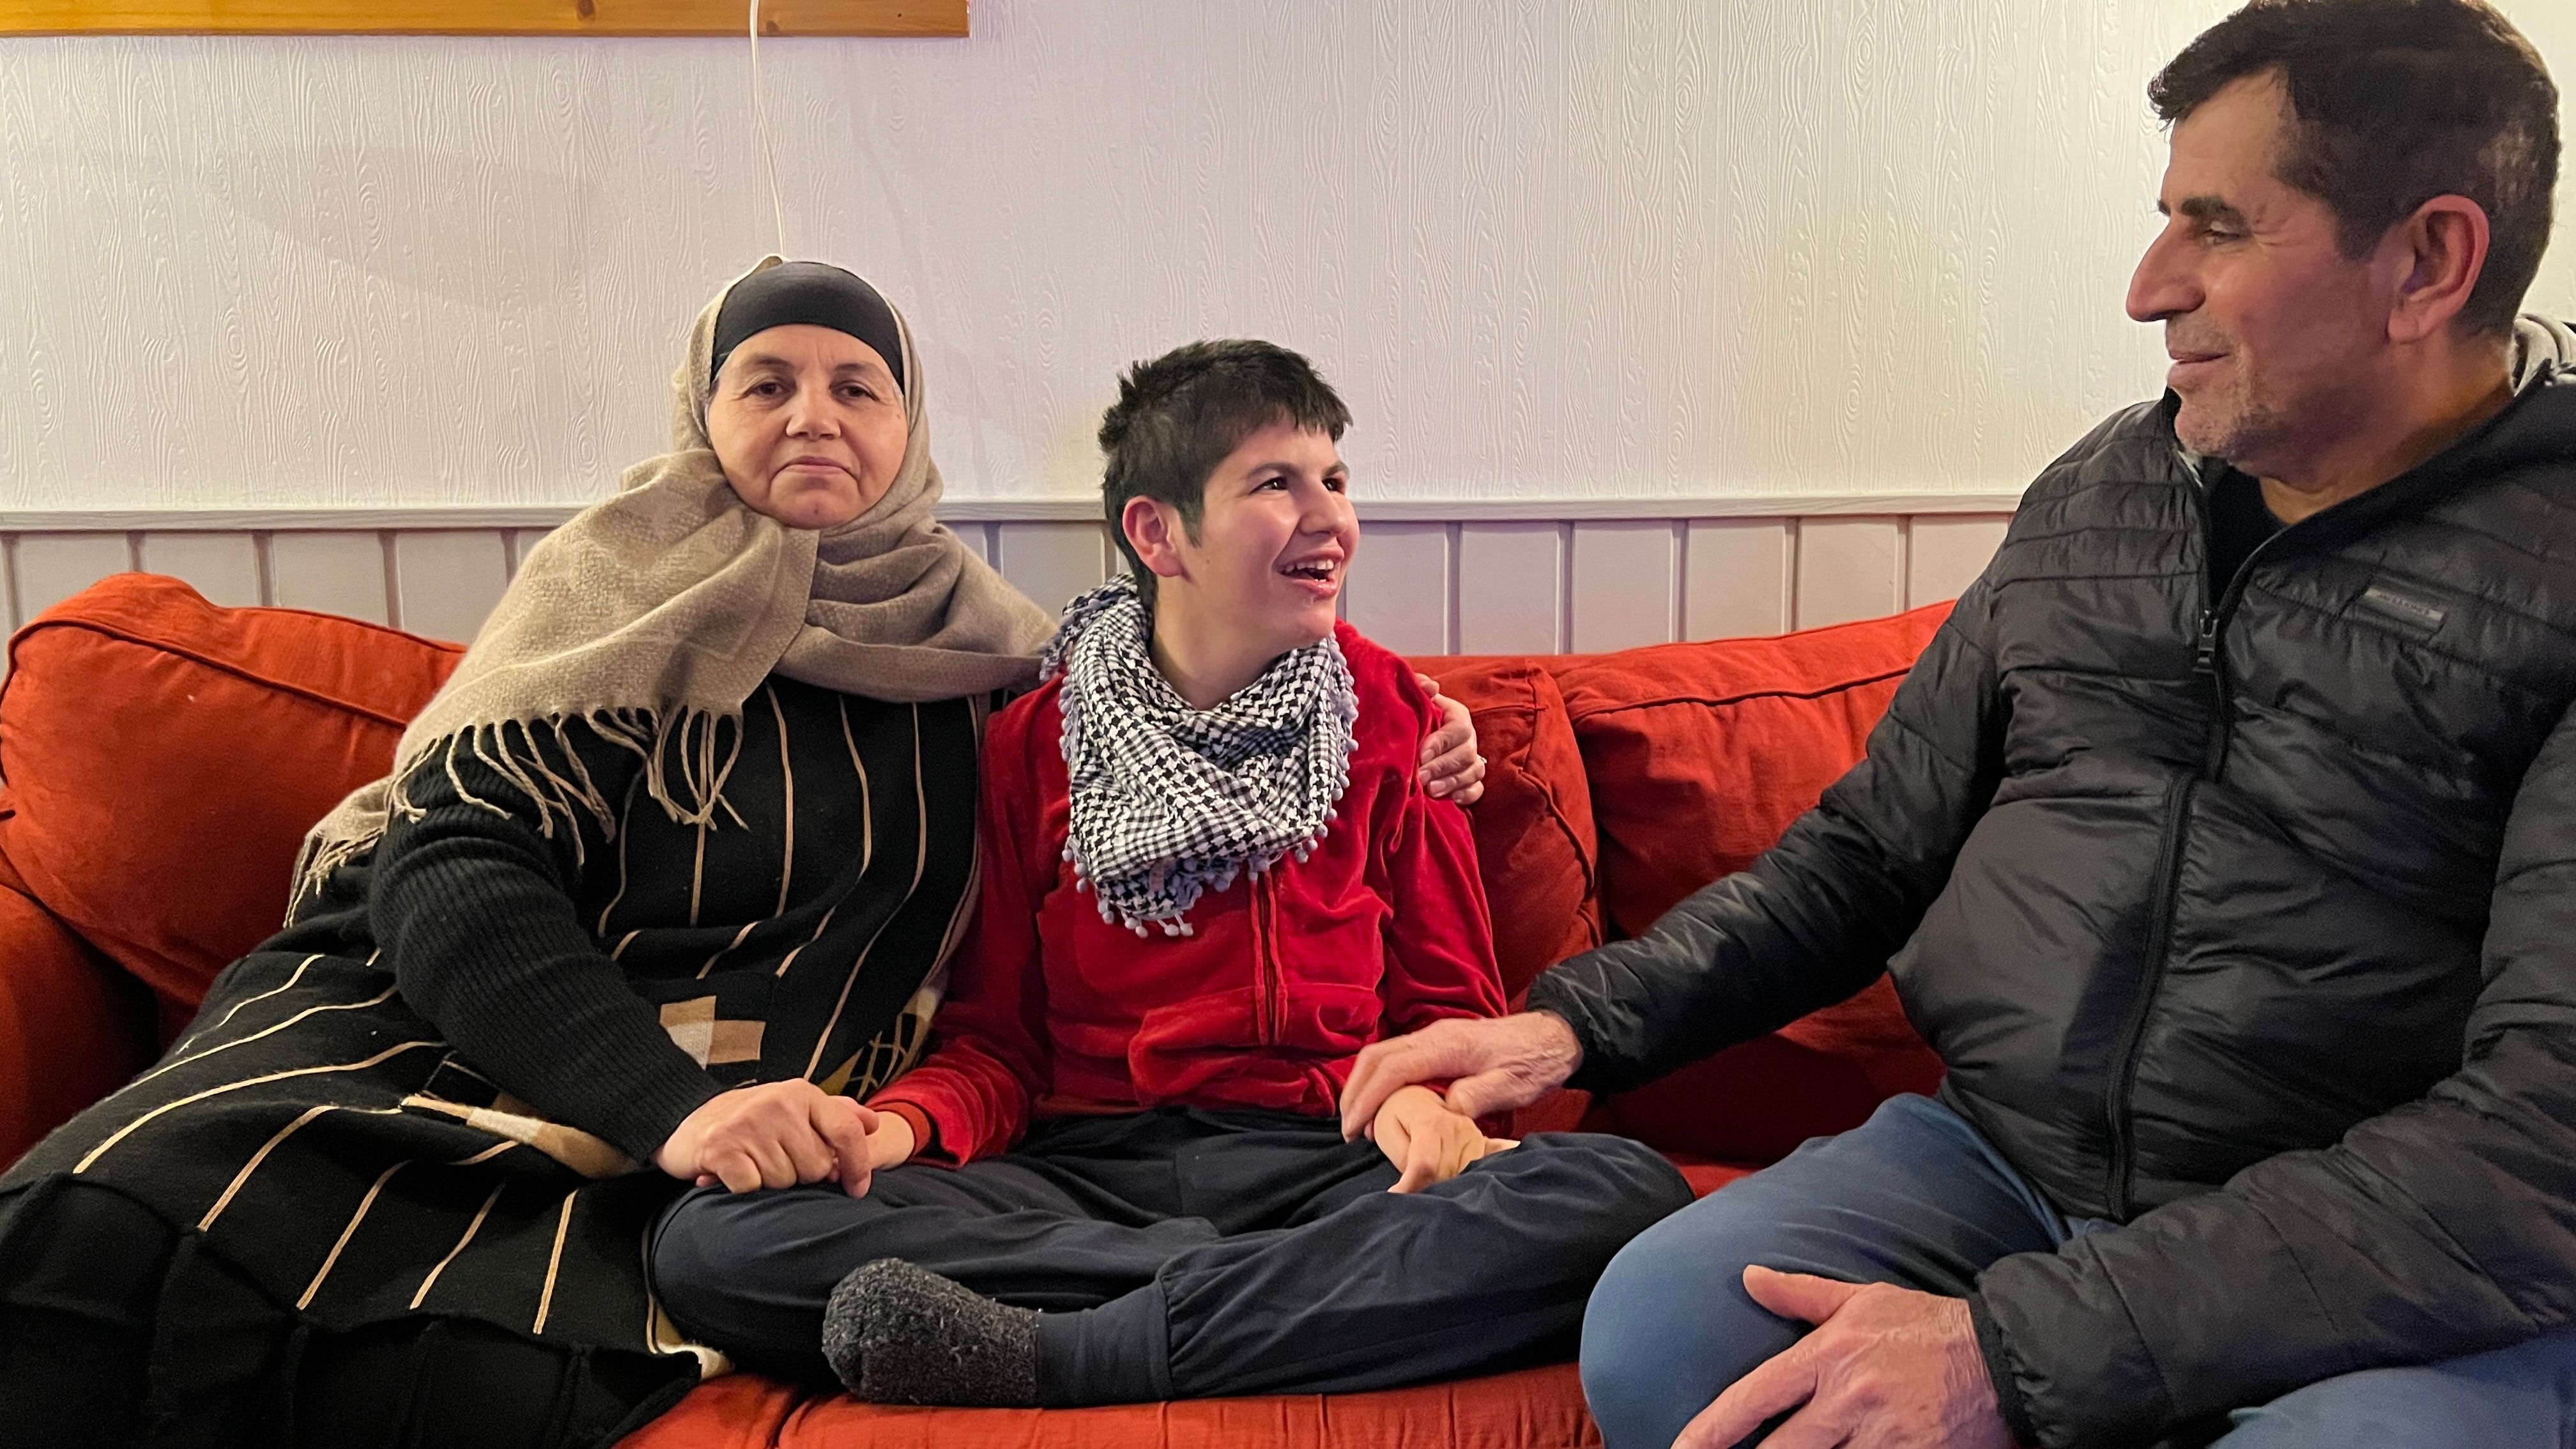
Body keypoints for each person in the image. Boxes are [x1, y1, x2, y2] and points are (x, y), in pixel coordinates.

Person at [1337, 3, 2576, 1446]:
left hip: (2372, 1245)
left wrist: (2011, 1351)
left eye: (2221, 228)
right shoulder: (2104, 494)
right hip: (2006, 1160)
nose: (2147, 288)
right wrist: (1571, 1025)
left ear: (2428, 262)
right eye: (2165, 219)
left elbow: (2540, 1137)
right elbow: (1873, 848)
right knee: (1668, 1332)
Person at [0, 262, 1490, 1447]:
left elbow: (1184, 701)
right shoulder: (610, 599)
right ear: (700, 414)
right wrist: (691, 1115)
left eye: (857, 386)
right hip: (467, 1049)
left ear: (910, 430)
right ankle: (1299, 1299)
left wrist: (1411, 727)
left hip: (823, 1126)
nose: (814, 416)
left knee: (1586, 1200)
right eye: (766, 382)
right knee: (115, 1219)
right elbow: (452, 870)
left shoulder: (991, 663)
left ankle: (1145, 1322)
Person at [647, 339, 1694, 1408]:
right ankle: (1259, 1304)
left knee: (1622, 1192)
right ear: (1157, 532)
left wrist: (1422, 1104)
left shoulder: (1394, 719)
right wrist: (897, 1128)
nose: (1331, 519)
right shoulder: (1034, 744)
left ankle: (1065, 1353)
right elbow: (999, 1047)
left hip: (1334, 1158)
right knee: (714, 1243)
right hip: (1086, 1177)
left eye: (1335, 479)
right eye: (1277, 484)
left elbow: (1449, 1013)